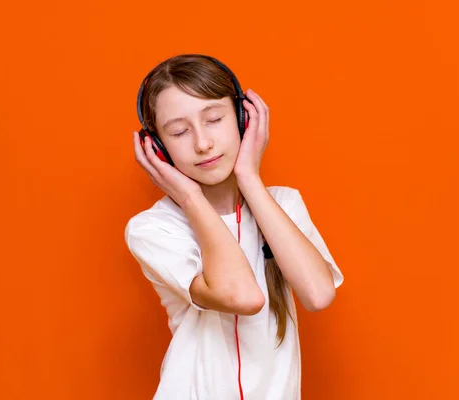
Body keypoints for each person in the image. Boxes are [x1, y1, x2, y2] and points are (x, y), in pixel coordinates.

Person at [124, 54, 344, 399]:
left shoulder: (281, 205)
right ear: (158, 149)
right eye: (179, 131)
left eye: (213, 119)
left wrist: (249, 178)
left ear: (243, 118)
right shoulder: (154, 229)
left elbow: (318, 294)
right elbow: (242, 296)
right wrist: (190, 197)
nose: (202, 143)